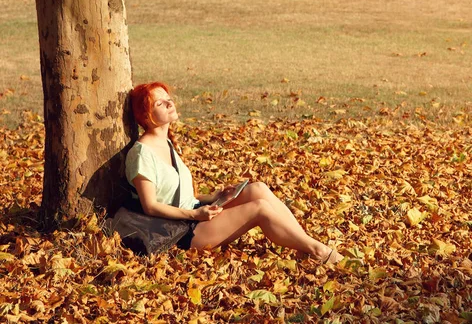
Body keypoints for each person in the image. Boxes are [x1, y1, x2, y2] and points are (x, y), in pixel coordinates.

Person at [126, 82, 343, 263]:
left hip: (194, 214)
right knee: (259, 209)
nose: (169, 103)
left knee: (258, 189)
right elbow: (151, 205)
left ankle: (305, 245)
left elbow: (178, 196)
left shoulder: (166, 144)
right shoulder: (143, 153)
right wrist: (195, 214)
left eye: (168, 98)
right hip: (180, 232)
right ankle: (318, 252)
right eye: (159, 103)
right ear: (146, 116)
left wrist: (214, 197)